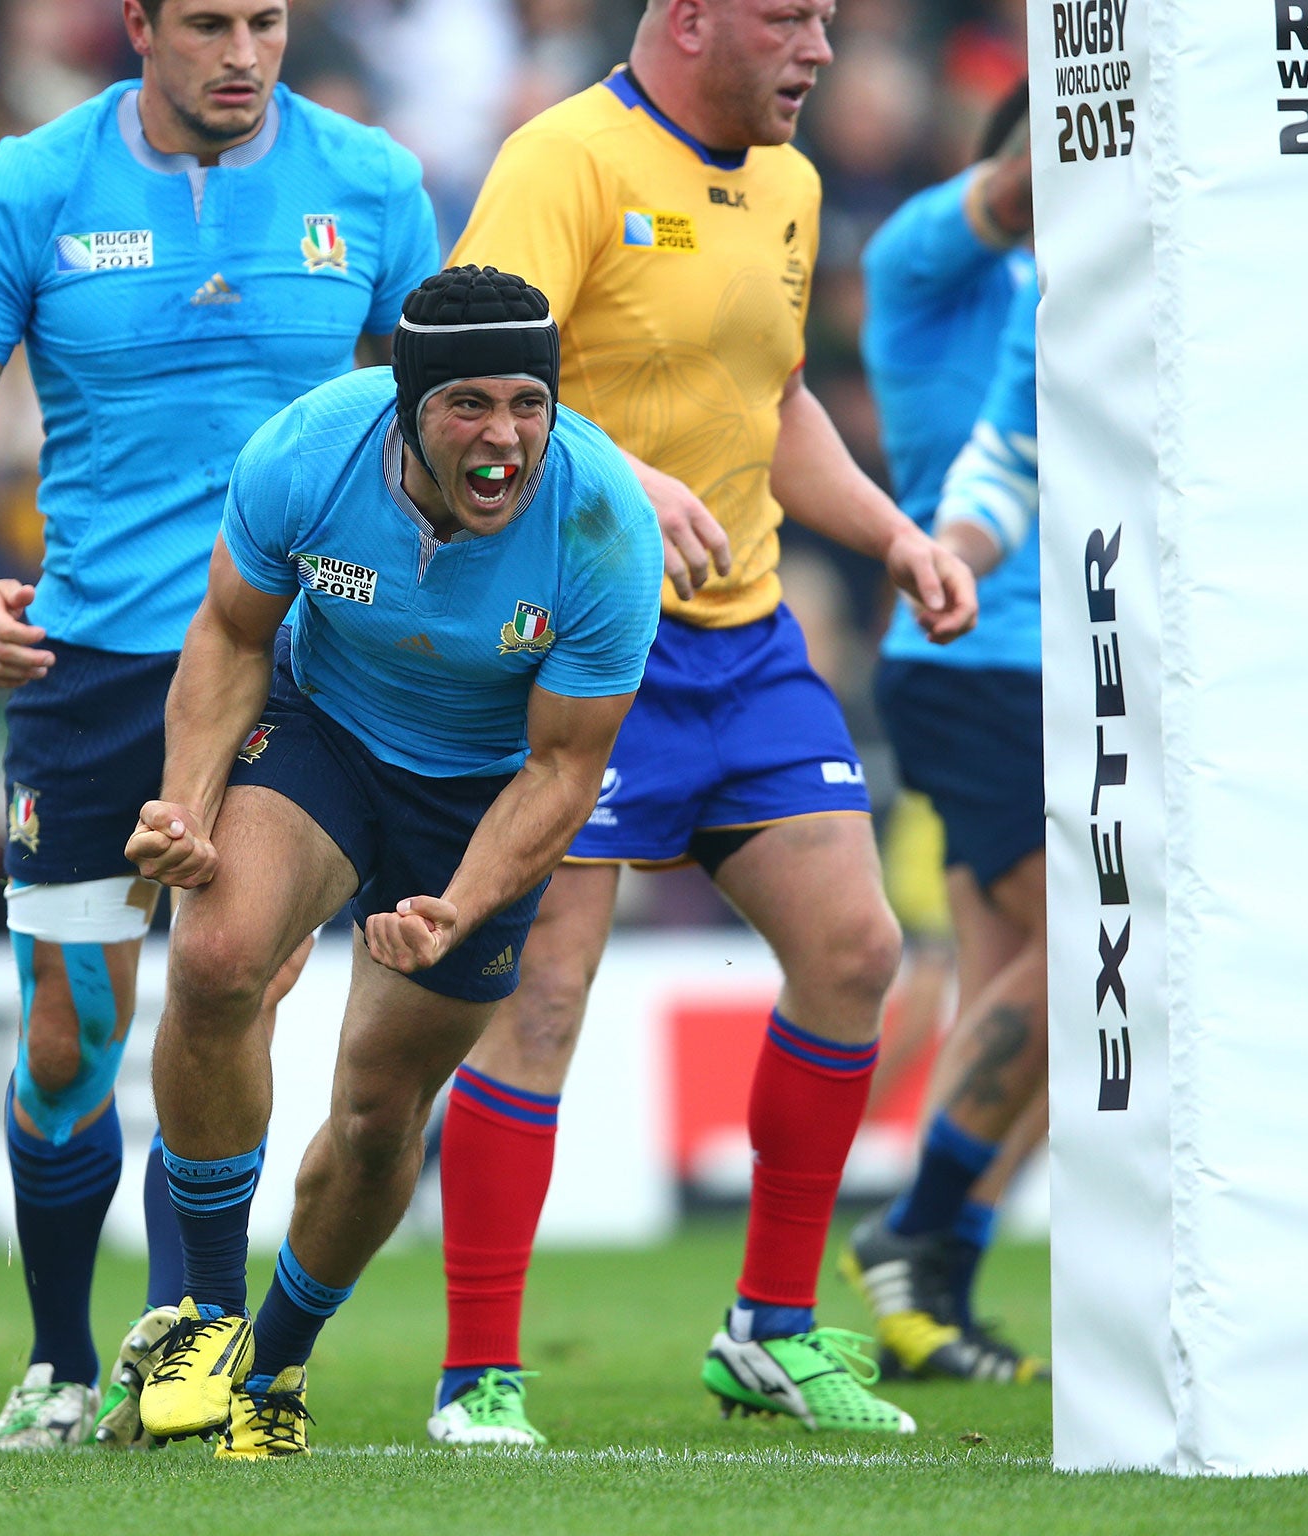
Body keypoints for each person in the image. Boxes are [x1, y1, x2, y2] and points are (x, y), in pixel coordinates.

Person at [0, 0, 438, 1451]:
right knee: (69, 1036)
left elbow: (442, 426)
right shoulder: (26, 186)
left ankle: (194, 1346)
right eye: (207, 22)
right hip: (97, 661)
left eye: (267, 19)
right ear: (138, 24)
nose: (243, 50)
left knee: (229, 972)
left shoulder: (371, 182)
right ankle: (63, 1361)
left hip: (299, 662)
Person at [426, 0, 980, 1445]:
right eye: (792, 19)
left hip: (743, 642)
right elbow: (471, 386)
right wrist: (611, 474)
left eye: (830, 23)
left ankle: (770, 1334)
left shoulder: (790, 187)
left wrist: (890, 533)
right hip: (581, 638)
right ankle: (477, 1376)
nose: (821, 52)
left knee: (855, 951)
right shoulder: (563, 161)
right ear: (688, 19)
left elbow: (776, 399)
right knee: (542, 999)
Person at [125, 264, 662, 1460]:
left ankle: (273, 1374)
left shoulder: (605, 524)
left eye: (528, 403)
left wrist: (459, 907)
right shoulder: (308, 451)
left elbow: (564, 770)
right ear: (405, 406)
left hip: (482, 795)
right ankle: (205, 1318)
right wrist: (186, 810)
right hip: (324, 731)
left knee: (377, 1115)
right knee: (212, 963)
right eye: (466, 404)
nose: (503, 436)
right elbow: (227, 634)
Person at [847, 99, 1047, 1381]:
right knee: (1105, 951)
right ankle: (915, 1228)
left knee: (1011, 995)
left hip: (1063, 659)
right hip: (973, 650)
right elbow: (1023, 188)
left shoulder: (1071, 284)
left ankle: (934, 1297)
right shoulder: (926, 245)